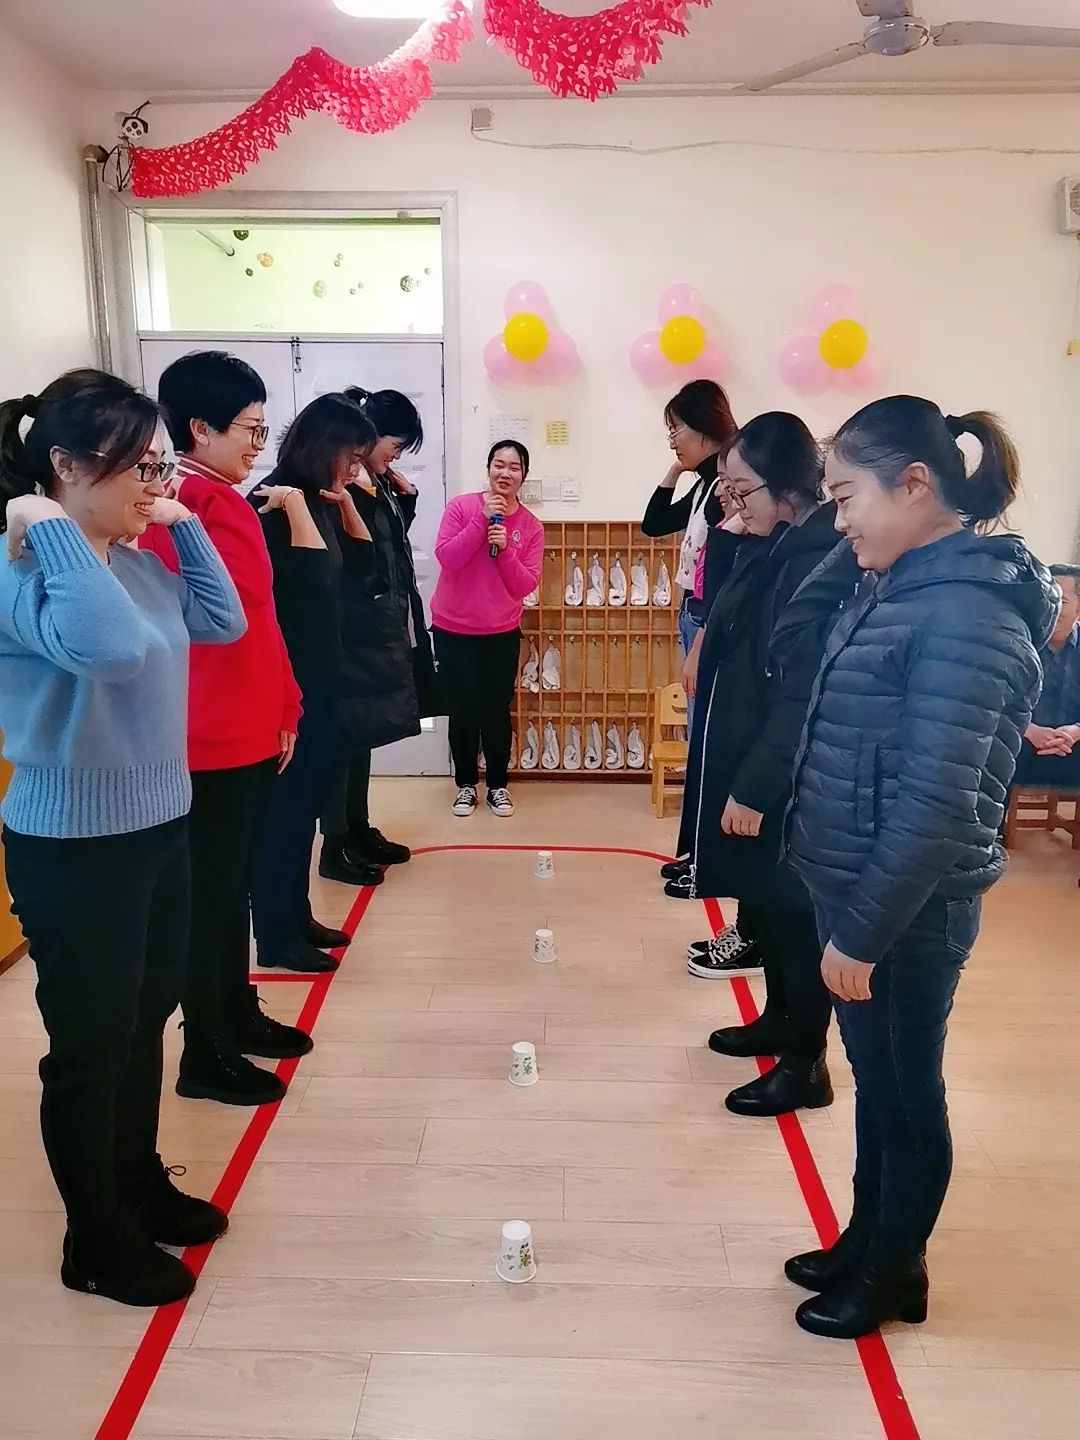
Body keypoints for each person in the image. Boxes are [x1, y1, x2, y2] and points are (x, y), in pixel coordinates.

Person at [779, 396, 1054, 1339]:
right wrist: (852, 535)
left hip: (903, 904)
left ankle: (895, 1272)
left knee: (904, 1092)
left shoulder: (969, 613)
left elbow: (939, 802)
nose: (840, 517)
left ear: (917, 484)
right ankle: (870, 1242)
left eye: (848, 495)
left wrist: (859, 930)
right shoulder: (896, 581)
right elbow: (792, 631)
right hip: (855, 878)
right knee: (877, 1086)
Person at [0, 369, 245, 1306]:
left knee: (146, 1019)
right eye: (136, 466)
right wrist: (51, 523)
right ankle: (93, 1240)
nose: (154, 484)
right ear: (63, 466)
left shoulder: (138, 557)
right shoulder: (25, 570)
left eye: (157, 464)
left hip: (158, 824)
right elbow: (108, 651)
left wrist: (181, 525)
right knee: (91, 1045)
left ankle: (136, 1184)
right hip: (74, 847)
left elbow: (218, 624)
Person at [142, 350, 311, 1108]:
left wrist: (284, 706)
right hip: (207, 734)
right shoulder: (182, 504)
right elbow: (205, 625)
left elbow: (260, 622)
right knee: (208, 900)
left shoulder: (222, 497)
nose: (258, 442)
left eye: (264, 427)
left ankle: (233, 1012)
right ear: (198, 427)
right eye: (247, 427)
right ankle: (204, 1046)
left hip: (245, 725)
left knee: (231, 887)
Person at [678, 413, 843, 1117]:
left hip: (777, 773)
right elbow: (725, 614)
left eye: (741, 490)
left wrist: (755, 785)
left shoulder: (815, 561)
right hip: (748, 753)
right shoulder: (779, 543)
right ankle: (779, 1021)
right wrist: (735, 530)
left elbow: (801, 692)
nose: (732, 504)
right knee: (767, 911)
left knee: (794, 914)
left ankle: (807, 1064)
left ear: (786, 485)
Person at [251, 393, 378, 971]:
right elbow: (308, 589)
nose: (354, 470)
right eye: (350, 458)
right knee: (285, 812)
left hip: (321, 678)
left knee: (306, 806)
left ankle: (295, 915)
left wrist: (348, 506)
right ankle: (276, 934)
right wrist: (307, 512)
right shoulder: (275, 502)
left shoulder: (324, 500)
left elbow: (361, 571)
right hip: (289, 682)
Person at [318, 386, 436, 885]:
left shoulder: (377, 483)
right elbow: (353, 558)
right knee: (344, 738)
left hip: (380, 624)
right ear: (367, 438)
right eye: (396, 443)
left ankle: (358, 828)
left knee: (362, 734)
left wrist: (404, 504)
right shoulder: (342, 485)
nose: (398, 454)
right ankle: (336, 844)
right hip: (350, 631)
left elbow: (387, 550)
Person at [641, 380, 742, 906]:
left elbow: (726, 572)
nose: (672, 440)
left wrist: (702, 639)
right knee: (700, 736)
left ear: (704, 427)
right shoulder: (704, 483)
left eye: (676, 429)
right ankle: (698, 852)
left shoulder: (728, 485)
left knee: (709, 738)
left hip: (709, 620)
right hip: (694, 614)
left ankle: (707, 858)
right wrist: (678, 469)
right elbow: (652, 524)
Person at [431, 440, 544, 818]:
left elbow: (524, 584)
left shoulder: (529, 525)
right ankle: (465, 785)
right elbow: (448, 557)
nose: (505, 473)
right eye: (499, 465)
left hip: (500, 631)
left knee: (496, 710)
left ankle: (497, 785)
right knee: (461, 710)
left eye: (514, 467)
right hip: (453, 628)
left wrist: (505, 548)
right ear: (488, 468)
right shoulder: (461, 508)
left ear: (523, 476)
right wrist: (482, 521)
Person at [1011, 563, 1080, 787]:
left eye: (1061, 600)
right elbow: (994, 700)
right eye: (1047, 597)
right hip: (1022, 742)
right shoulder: (1017, 642)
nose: (1051, 607)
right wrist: (1030, 730)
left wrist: (1075, 731)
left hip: (1073, 744)